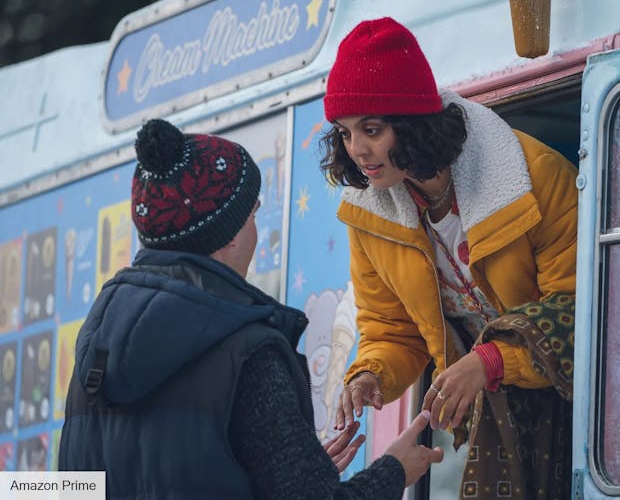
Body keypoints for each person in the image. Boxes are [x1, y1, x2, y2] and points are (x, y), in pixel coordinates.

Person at [58, 118, 443, 499]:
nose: (257, 233)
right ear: (225, 234)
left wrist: (290, 475)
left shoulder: (93, 360)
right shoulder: (247, 353)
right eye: (254, 215)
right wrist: (394, 470)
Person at [320, 17, 577, 500]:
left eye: (371, 129)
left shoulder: (537, 177)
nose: (356, 150)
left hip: (576, 413)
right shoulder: (366, 214)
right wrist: (370, 374)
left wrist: (490, 360)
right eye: (345, 132)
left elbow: (584, 311)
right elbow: (391, 331)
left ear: (413, 124)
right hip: (491, 424)